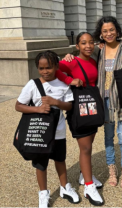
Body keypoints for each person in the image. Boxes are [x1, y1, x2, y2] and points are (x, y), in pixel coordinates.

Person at [63, 16, 122, 188]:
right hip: (103, 99)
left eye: (111, 30)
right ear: (101, 33)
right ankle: (112, 171)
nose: (109, 33)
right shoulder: (100, 49)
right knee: (108, 137)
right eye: (105, 31)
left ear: (117, 30)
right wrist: (70, 56)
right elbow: (82, 60)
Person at [15, 51, 80, 208]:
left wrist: (56, 102)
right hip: (39, 133)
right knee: (40, 164)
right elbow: (18, 105)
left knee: (60, 160)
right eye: (41, 68)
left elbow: (69, 105)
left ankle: (65, 187)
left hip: (58, 132)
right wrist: (37, 110)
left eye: (49, 67)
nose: (45, 71)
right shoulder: (33, 84)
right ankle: (43, 193)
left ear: (56, 66)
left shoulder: (64, 84)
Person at [55, 32, 104, 206]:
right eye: (83, 43)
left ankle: (85, 175)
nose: (88, 46)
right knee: (85, 148)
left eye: (91, 42)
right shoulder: (71, 61)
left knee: (88, 146)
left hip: (92, 107)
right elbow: (53, 69)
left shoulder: (93, 60)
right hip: (78, 109)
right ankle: (89, 187)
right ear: (77, 46)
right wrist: (70, 79)